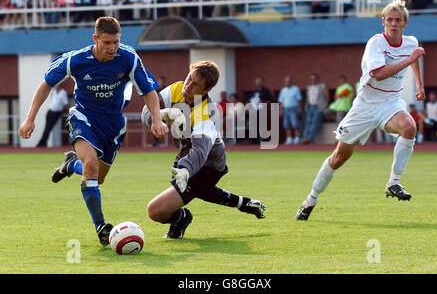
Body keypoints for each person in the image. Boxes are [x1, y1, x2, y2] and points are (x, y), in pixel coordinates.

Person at [19, 17, 168, 246]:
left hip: (113, 125)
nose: (112, 48)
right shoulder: (75, 60)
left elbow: (148, 91)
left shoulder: (128, 58)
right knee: (90, 164)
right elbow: (46, 84)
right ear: (95, 39)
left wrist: (156, 119)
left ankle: (70, 165)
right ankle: (101, 227)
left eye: (116, 42)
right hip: (83, 117)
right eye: (107, 42)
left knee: (98, 177)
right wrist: (30, 119)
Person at [295, 0, 426, 221]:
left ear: (405, 23)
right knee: (339, 157)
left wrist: (419, 85)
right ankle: (310, 200)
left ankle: (394, 182)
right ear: (383, 22)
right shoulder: (375, 44)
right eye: (390, 19)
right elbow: (379, 74)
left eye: (398, 20)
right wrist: (412, 59)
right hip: (365, 106)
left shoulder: (410, 42)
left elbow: (413, 57)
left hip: (391, 102)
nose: (394, 24)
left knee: (409, 127)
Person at [143, 61, 266, 239]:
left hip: (208, 165)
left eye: (195, 84)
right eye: (189, 78)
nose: (188, 86)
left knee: (155, 210)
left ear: (206, 90)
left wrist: (185, 170)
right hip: (185, 155)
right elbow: (146, 114)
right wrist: (163, 114)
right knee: (199, 190)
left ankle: (181, 218)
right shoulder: (175, 89)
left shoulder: (207, 113)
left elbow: (200, 153)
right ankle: (245, 204)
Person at [300, 73, 328, 144]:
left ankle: (310, 138)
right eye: (311, 79)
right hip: (310, 107)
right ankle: (305, 138)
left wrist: (325, 106)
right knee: (308, 122)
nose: (313, 80)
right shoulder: (309, 87)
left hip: (318, 107)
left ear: (318, 79)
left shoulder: (322, 86)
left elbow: (327, 96)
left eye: (314, 79)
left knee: (315, 123)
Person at [278, 76, 302, 145]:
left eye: (288, 81)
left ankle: (297, 138)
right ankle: (289, 138)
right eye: (286, 81)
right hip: (285, 109)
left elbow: (299, 100)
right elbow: (281, 101)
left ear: (291, 82)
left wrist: (299, 109)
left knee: (295, 124)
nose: (287, 83)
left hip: (293, 109)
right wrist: (281, 110)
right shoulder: (283, 90)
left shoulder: (296, 89)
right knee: (286, 125)